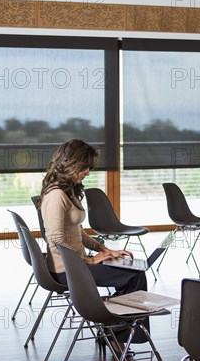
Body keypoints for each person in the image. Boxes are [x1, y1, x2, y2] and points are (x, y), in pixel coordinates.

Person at [37, 139, 150, 347]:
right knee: (134, 276)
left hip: (77, 264)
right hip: (67, 269)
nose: (88, 171)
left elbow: (77, 232)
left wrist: (103, 249)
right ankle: (115, 333)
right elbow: (55, 240)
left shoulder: (69, 190)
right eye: (84, 167)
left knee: (134, 271)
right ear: (70, 163)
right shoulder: (56, 195)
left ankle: (114, 331)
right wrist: (89, 259)